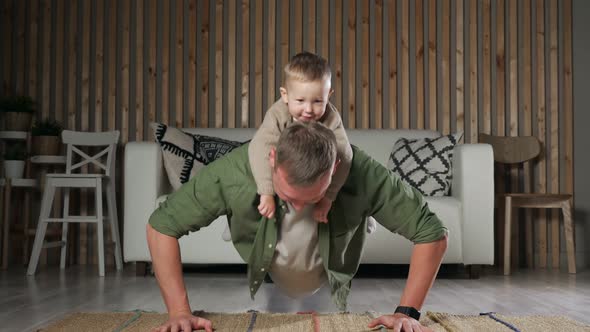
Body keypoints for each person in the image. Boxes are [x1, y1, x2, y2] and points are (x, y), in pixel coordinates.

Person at [147, 122, 448, 332]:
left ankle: (360, 215)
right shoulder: (234, 172)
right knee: (252, 203)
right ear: (272, 159)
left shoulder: (359, 170)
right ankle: (243, 219)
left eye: (312, 199)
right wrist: (179, 312)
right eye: (291, 198)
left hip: (332, 249)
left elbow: (432, 232)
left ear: (333, 171)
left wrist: (407, 313)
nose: (301, 208)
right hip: (266, 245)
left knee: (349, 204)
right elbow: (161, 225)